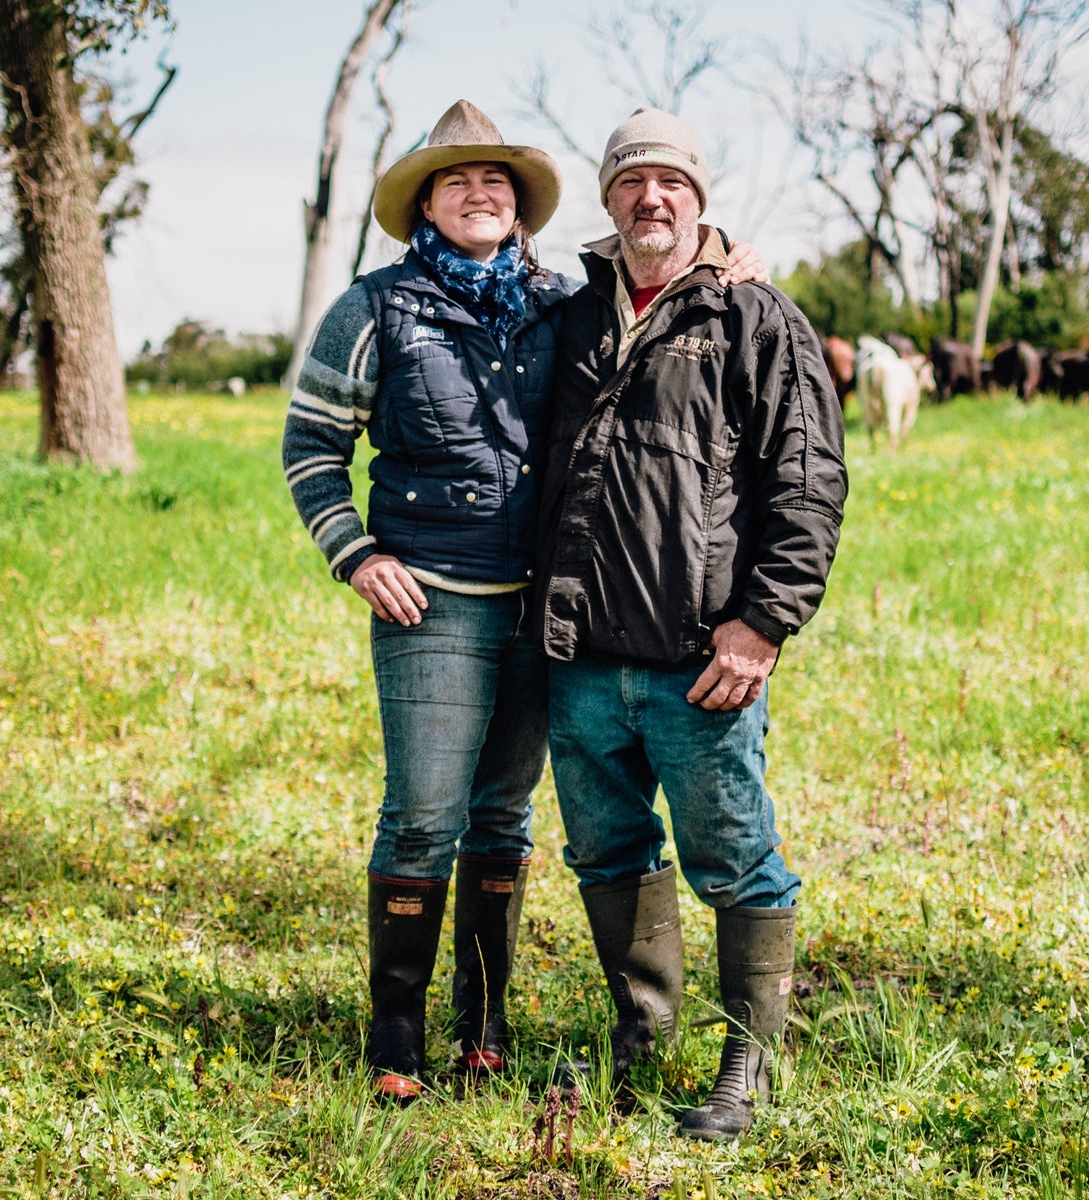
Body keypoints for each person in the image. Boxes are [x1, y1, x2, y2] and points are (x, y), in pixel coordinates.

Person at [281, 100, 766, 1102]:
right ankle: (396, 1039)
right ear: (423, 201)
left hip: (547, 611)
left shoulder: (559, 304)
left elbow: (663, 286)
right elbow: (311, 447)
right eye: (456, 179)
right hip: (433, 607)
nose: (479, 192)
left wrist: (724, 260)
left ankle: (486, 1023)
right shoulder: (373, 310)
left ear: (521, 204)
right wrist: (356, 552)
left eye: (496, 180)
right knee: (421, 818)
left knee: (501, 820)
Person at [535, 108, 847, 1141]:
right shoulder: (571, 313)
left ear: (700, 197)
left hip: (699, 658)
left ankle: (748, 1061)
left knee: (734, 856)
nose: (650, 198)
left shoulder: (755, 319)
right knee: (607, 850)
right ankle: (644, 1032)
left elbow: (807, 480)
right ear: (607, 198)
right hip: (582, 656)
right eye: (630, 182)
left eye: (670, 181)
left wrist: (761, 626)